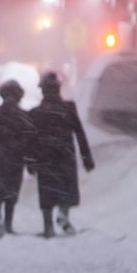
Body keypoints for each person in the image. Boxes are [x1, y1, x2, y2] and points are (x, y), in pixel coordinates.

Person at [26, 72, 94, 237]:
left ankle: (48, 226)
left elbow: (30, 140)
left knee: (46, 191)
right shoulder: (69, 108)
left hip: (44, 158)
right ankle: (63, 215)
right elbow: (79, 133)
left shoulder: (35, 112)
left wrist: (30, 161)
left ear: (42, 91)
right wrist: (86, 157)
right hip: (65, 155)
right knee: (66, 189)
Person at [0, 80, 34, 238]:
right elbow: (29, 139)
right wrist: (28, 158)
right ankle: (8, 224)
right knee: (12, 191)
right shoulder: (24, 115)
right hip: (15, 159)